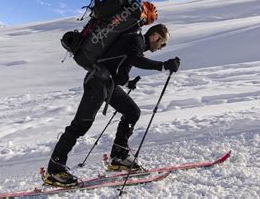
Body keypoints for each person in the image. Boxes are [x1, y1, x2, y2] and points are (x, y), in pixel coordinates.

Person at [44, 23, 180, 187]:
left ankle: (119, 156)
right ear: (155, 36)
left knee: (132, 112)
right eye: (162, 42)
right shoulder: (136, 39)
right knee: (80, 125)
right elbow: (135, 60)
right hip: (97, 83)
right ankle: (54, 170)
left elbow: (118, 67)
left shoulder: (136, 43)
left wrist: (127, 82)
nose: (161, 47)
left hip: (107, 84)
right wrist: (163, 65)